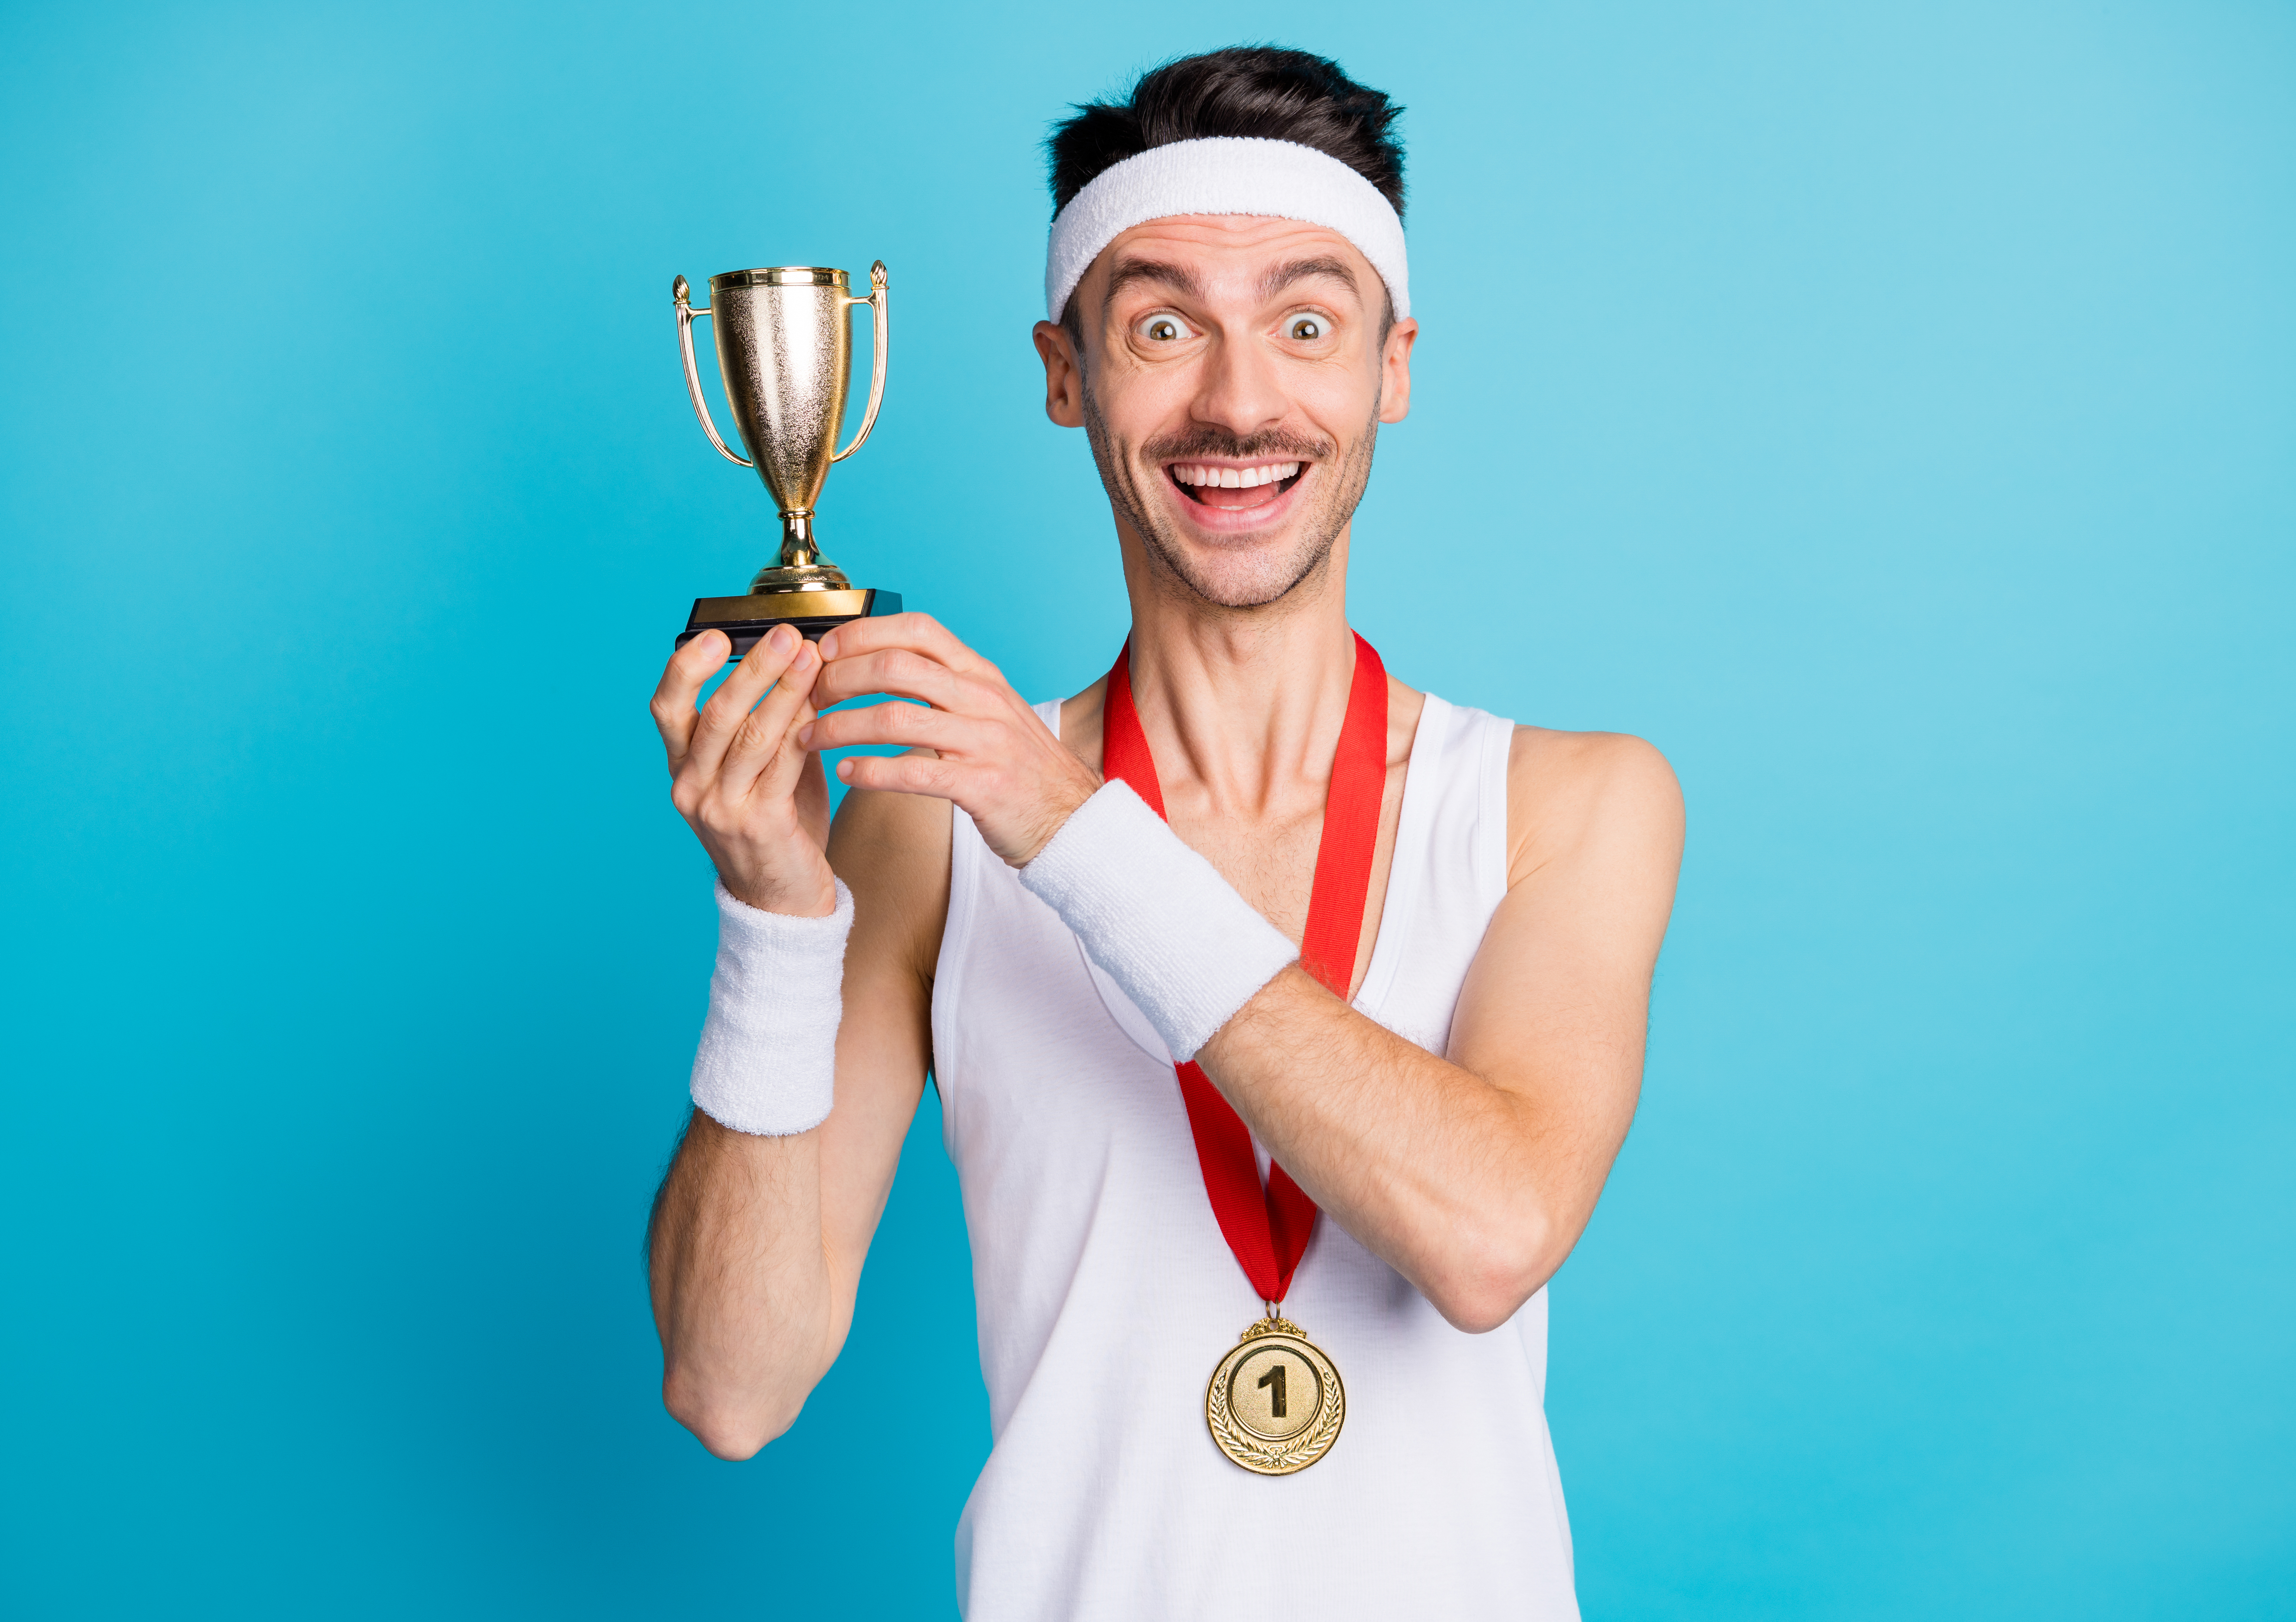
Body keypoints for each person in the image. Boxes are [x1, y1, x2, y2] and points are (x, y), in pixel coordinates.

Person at [644, 45, 1684, 1621]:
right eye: (1163, 327)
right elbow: (734, 1386)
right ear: (1066, 376)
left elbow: (1489, 1237)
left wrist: (1067, 823)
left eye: (1306, 324)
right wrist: (776, 920)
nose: (1241, 401)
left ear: (1393, 367)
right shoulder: (927, 830)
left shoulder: (1568, 802)